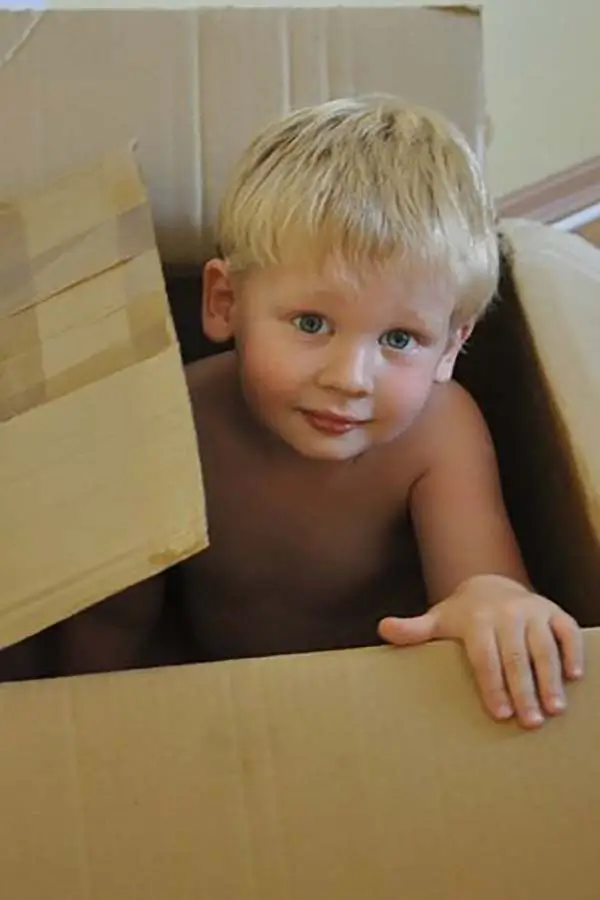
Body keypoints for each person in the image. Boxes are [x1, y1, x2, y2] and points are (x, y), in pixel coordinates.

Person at [14, 95, 586, 727]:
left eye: (399, 339)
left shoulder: (439, 433)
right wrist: (82, 721)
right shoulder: (175, 419)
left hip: (381, 704)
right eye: (312, 323)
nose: (349, 379)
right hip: (211, 690)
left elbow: (481, 585)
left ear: (452, 345)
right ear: (224, 302)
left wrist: (495, 604)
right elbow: (112, 615)